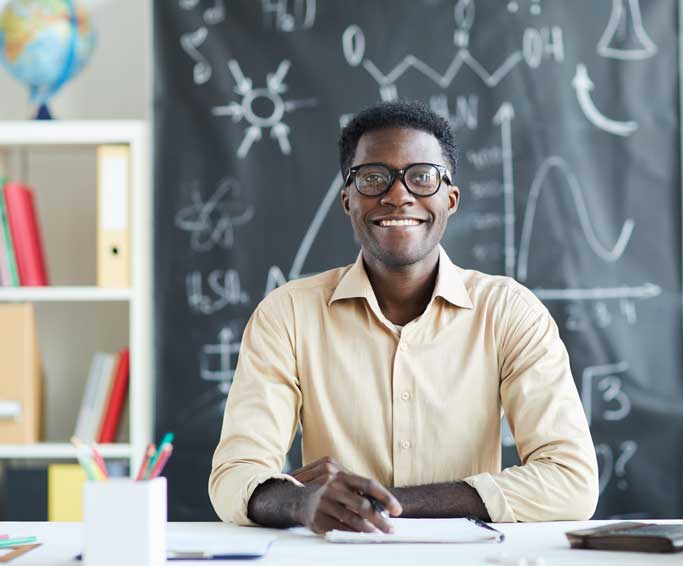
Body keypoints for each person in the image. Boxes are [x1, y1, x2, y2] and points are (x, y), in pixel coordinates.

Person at [209, 100, 598, 534]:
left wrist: (371, 504)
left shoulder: (508, 313)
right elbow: (234, 477)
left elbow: (572, 482)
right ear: (347, 199)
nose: (397, 194)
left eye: (422, 177)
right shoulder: (288, 314)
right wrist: (303, 501)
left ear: (450, 199)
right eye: (373, 177)